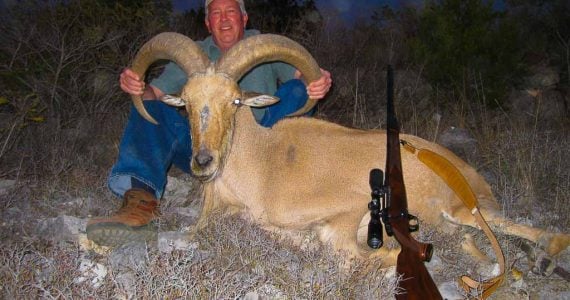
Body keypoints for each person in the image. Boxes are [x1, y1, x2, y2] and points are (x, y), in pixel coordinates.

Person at [86, 0, 332, 247]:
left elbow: (304, 75)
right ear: (207, 23)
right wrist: (138, 88)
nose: (224, 19)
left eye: (230, 12)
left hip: (260, 148)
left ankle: (284, 182)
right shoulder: (194, 55)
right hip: (202, 149)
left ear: (244, 18)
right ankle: (140, 203)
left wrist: (317, 80)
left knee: (298, 91)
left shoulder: (259, 45)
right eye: (216, 13)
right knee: (151, 109)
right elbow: (155, 95)